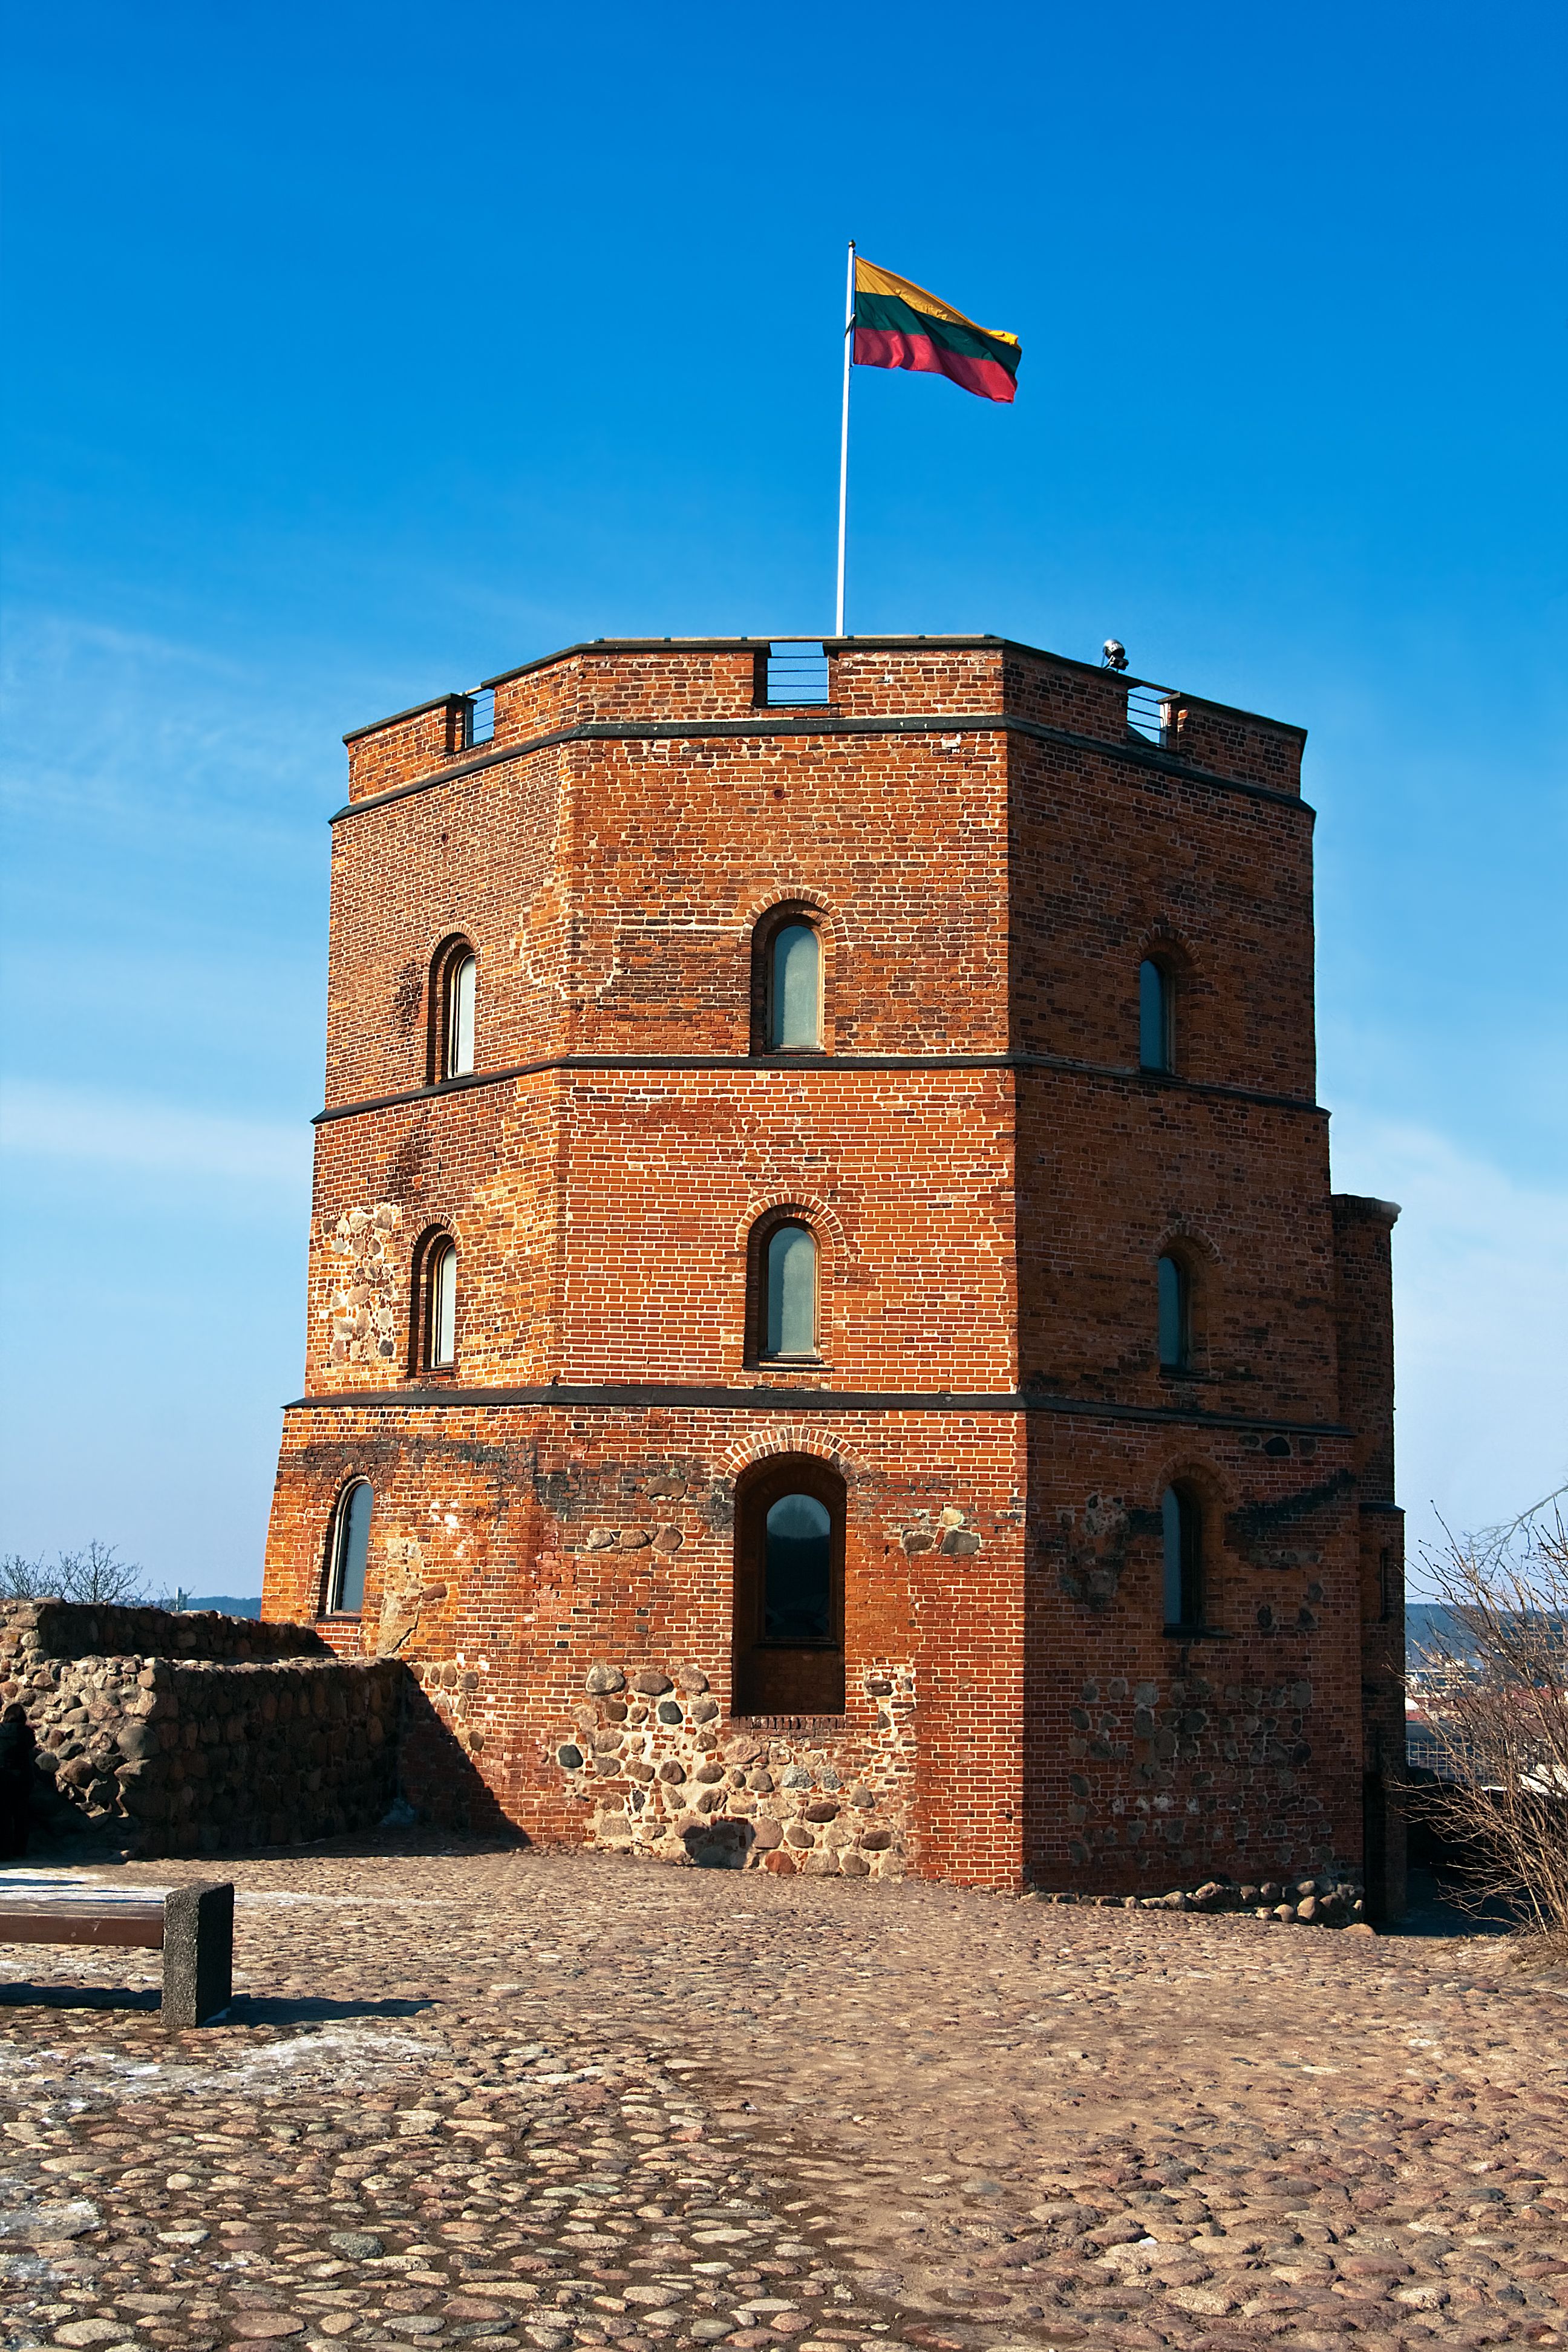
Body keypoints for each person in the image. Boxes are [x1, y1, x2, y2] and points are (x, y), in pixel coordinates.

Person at [0, 1703, 36, 1858]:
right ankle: (20, 1851)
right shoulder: (26, 1733)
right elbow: (31, 1747)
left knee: (3, 1816)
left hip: (2, 1778)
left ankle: (4, 1851)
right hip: (22, 1779)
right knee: (22, 1816)